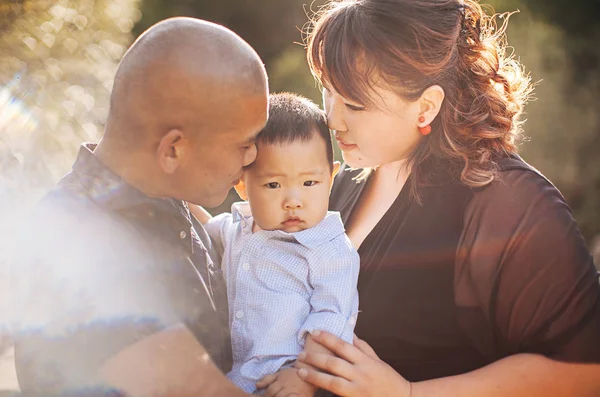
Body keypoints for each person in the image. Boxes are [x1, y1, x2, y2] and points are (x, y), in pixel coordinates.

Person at [259, 0, 600, 396]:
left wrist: (406, 394)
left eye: (355, 103)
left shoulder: (509, 203)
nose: (332, 118)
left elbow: (587, 371)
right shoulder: (340, 183)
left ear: (426, 106)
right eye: (327, 91)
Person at [10, 17, 268, 397]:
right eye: (243, 143)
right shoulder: (77, 249)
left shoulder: (170, 202)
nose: (254, 156)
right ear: (173, 149)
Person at [190, 93, 359, 395]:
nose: (293, 201)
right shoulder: (238, 228)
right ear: (242, 185)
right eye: (273, 185)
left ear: (331, 178)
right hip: (236, 378)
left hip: (286, 379)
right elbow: (202, 229)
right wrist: (178, 199)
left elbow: (332, 317)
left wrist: (306, 377)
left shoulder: (329, 248)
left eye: (309, 183)